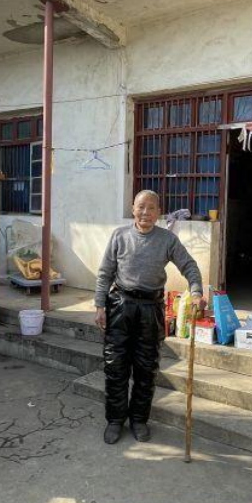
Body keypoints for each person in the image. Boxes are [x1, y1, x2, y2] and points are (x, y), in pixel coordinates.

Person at [95, 190, 203, 445]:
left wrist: (197, 291)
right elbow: (105, 272)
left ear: (159, 212)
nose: (145, 212)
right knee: (115, 366)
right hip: (120, 306)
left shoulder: (167, 240)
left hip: (150, 309)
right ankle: (115, 420)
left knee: (146, 368)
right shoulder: (119, 236)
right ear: (133, 209)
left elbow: (189, 266)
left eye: (151, 208)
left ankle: (139, 419)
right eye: (140, 207)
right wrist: (99, 305)